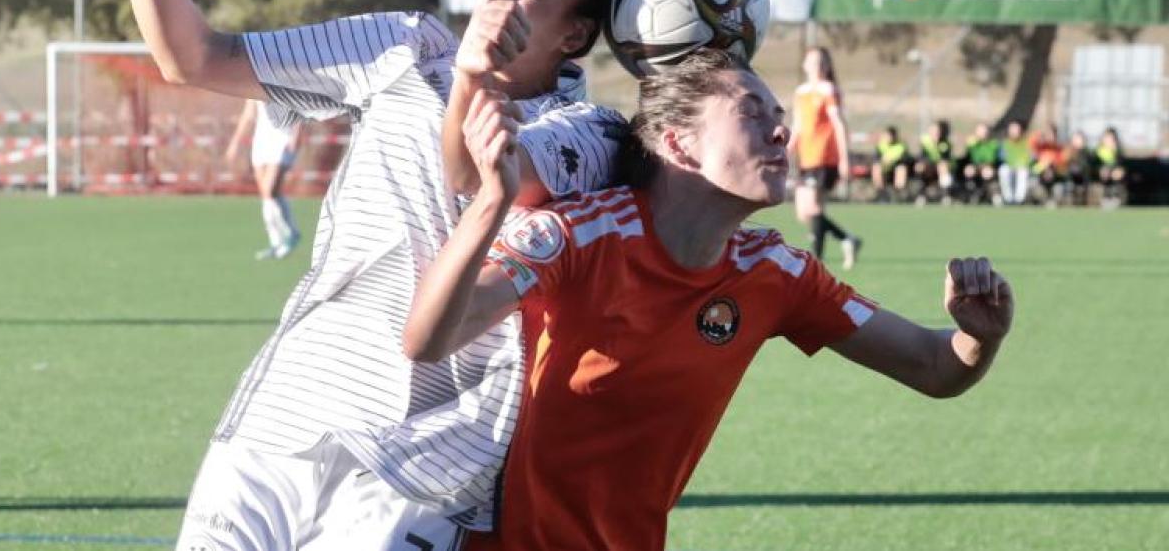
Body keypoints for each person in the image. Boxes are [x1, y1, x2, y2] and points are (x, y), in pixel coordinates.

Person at [87, 0, 626, 549]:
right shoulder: (402, 45)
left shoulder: (590, 132)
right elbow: (195, 57)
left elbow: (473, 174)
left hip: (420, 465)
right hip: (285, 418)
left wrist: (472, 73)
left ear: (574, 35)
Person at [404, 49, 1015, 551]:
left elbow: (935, 367)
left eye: (779, 115)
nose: (782, 131)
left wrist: (978, 337)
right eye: (751, 112)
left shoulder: (777, 272)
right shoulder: (580, 236)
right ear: (679, 144)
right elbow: (428, 339)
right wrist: (493, 200)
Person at [789, 46, 860, 269]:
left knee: (814, 208)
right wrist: (786, 151)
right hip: (806, 158)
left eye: (821, 62)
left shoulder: (828, 90)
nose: (816, 66)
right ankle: (847, 239)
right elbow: (798, 126)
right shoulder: (801, 92)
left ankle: (815, 262)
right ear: (804, 65)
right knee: (804, 212)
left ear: (828, 66)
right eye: (812, 61)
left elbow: (839, 124)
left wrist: (844, 159)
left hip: (825, 157)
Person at [224, 99, 304, 260]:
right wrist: (235, 143)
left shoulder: (285, 85)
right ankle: (276, 241)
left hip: (282, 139)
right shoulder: (254, 85)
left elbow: (300, 110)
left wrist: (296, 136)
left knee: (270, 190)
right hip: (262, 141)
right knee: (267, 196)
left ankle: (291, 232)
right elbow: (248, 115)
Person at [914, 119, 955, 204]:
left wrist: (937, 145)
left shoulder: (945, 143)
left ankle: (946, 195)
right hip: (928, 167)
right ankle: (921, 195)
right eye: (933, 131)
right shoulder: (925, 142)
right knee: (920, 167)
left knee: (942, 166)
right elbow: (921, 157)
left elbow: (945, 158)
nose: (935, 133)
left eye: (937, 131)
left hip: (941, 168)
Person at [960, 122, 1000, 204]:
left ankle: (990, 194)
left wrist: (983, 165)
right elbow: (967, 158)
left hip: (988, 167)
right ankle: (971, 194)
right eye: (980, 131)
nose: (982, 134)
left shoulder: (993, 144)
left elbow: (991, 159)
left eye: (984, 131)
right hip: (975, 167)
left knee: (987, 172)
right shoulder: (972, 144)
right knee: (969, 170)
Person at [997, 120, 1033, 205]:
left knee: (1023, 172)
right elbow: (1002, 158)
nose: (1013, 132)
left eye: (1016, 129)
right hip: (1009, 167)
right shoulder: (1004, 143)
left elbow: (1030, 157)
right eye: (1012, 129)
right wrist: (1013, 165)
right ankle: (1008, 199)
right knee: (1003, 170)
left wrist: (1019, 165)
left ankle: (1019, 199)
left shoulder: (1026, 143)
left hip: (1022, 167)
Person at [872, 124, 912, 202]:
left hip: (896, 169)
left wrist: (894, 160)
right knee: (876, 168)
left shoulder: (901, 146)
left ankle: (898, 195)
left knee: (901, 169)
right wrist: (883, 161)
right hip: (884, 169)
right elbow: (875, 159)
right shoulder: (880, 145)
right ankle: (881, 194)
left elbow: (907, 159)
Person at [1029, 123, 1067, 205]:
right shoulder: (1039, 147)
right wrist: (1044, 167)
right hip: (1040, 178)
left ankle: (1051, 200)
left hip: (1055, 179)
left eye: (1051, 134)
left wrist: (1052, 168)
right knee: (1033, 185)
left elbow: (1062, 166)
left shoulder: (1058, 148)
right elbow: (1034, 168)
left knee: (1059, 189)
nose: (1049, 137)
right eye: (1047, 134)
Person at [1096, 126, 1127, 208]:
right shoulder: (1099, 150)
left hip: (1114, 171)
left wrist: (1114, 151)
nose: (1109, 140)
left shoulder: (1118, 150)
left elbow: (1120, 163)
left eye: (1111, 138)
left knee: (1117, 174)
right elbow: (1096, 163)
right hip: (1102, 172)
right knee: (1105, 173)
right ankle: (1105, 197)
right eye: (1107, 137)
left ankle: (1115, 197)